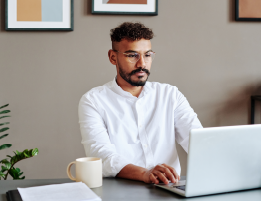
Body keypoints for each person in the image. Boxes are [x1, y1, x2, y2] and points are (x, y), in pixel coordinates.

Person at [78, 22, 203, 185]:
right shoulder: (93, 100)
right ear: (113, 57)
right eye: (132, 55)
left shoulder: (170, 95)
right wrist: (145, 173)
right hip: (119, 191)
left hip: (169, 190)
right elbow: (101, 156)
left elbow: (199, 143)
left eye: (147, 55)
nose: (142, 64)